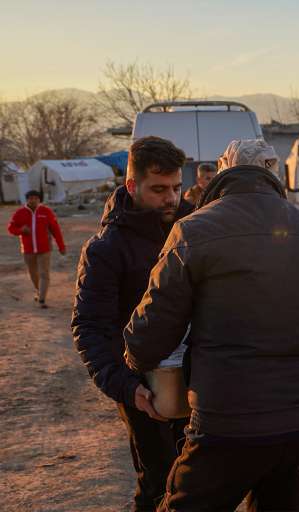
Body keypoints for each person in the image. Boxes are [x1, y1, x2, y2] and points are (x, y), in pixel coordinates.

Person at [123, 139, 299, 512]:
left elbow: (146, 341)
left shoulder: (192, 232)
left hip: (226, 421)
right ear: (273, 175)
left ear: (222, 172)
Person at [72, 136, 194, 512]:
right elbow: (90, 328)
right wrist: (128, 389)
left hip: (198, 378)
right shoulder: (106, 249)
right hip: (143, 388)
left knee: (197, 481)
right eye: (158, 190)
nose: (171, 198)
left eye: (176, 187)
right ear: (131, 186)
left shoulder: (195, 229)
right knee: (158, 480)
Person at [7, 190, 66, 308]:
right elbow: (11, 228)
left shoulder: (46, 212)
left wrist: (61, 246)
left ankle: (42, 300)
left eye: (35, 198)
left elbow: (55, 229)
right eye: (30, 198)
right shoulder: (20, 213)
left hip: (44, 249)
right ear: (27, 200)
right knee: (33, 273)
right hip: (28, 250)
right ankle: (38, 291)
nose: (33, 200)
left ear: (39, 200)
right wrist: (20, 230)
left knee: (44, 273)